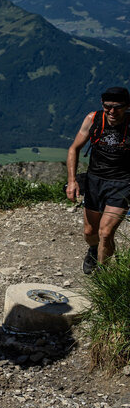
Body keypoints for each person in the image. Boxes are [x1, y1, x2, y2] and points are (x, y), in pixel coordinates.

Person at [66, 86, 130, 273]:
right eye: (107, 106)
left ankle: (103, 279)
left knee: (106, 232)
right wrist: (72, 181)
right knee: (90, 232)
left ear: (127, 106)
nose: (112, 111)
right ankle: (94, 250)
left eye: (117, 107)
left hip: (123, 183)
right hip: (95, 181)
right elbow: (73, 149)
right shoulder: (93, 119)